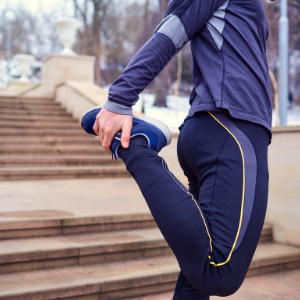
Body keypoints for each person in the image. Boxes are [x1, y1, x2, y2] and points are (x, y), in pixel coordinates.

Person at [81, 0, 275, 298]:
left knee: (197, 273)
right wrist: (120, 99)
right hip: (231, 128)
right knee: (218, 270)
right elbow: (171, 31)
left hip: (222, 129)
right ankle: (138, 146)